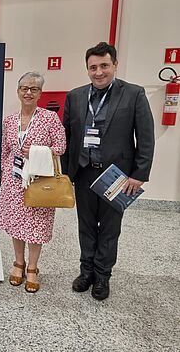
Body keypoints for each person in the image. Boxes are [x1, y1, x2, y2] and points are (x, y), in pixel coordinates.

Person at [61, 42, 155, 301]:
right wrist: (66, 173)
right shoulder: (76, 96)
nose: (98, 72)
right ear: (87, 69)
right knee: (86, 226)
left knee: (110, 228)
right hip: (83, 172)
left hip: (118, 176)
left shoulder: (134, 94)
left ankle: (103, 276)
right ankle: (86, 271)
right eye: (93, 67)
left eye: (104, 65)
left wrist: (139, 174)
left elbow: (145, 137)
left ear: (115, 65)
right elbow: (66, 137)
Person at [0, 71, 66, 293]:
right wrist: (2, 174)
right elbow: (5, 150)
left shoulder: (49, 118)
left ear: (40, 93)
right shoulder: (9, 120)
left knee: (35, 226)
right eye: (24, 88)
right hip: (13, 180)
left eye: (34, 89)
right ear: (18, 92)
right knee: (16, 225)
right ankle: (18, 263)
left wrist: (36, 151)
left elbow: (61, 147)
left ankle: (33, 269)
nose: (28, 92)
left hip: (38, 181)